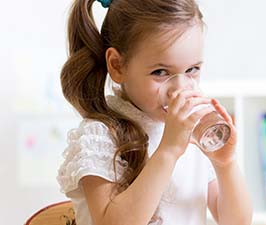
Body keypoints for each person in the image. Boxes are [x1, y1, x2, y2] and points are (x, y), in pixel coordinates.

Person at [57, 0, 253, 225]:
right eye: (160, 72)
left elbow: (237, 222)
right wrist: (168, 151)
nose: (180, 88)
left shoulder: (193, 131)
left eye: (192, 70)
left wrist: (225, 164)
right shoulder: (101, 136)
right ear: (117, 65)